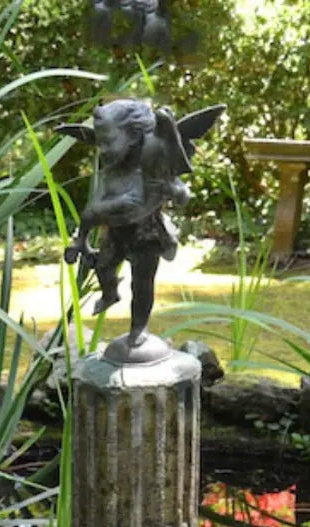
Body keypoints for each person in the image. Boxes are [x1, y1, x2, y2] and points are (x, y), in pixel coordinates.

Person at [59, 99, 223, 346]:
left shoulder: (154, 168)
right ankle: (110, 294)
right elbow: (92, 210)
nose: (103, 150)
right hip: (116, 234)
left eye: (108, 142)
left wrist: (172, 190)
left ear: (134, 136)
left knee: (142, 283)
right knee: (103, 268)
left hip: (148, 234)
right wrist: (110, 210)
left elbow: (183, 196)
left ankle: (139, 327)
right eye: (99, 143)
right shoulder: (111, 174)